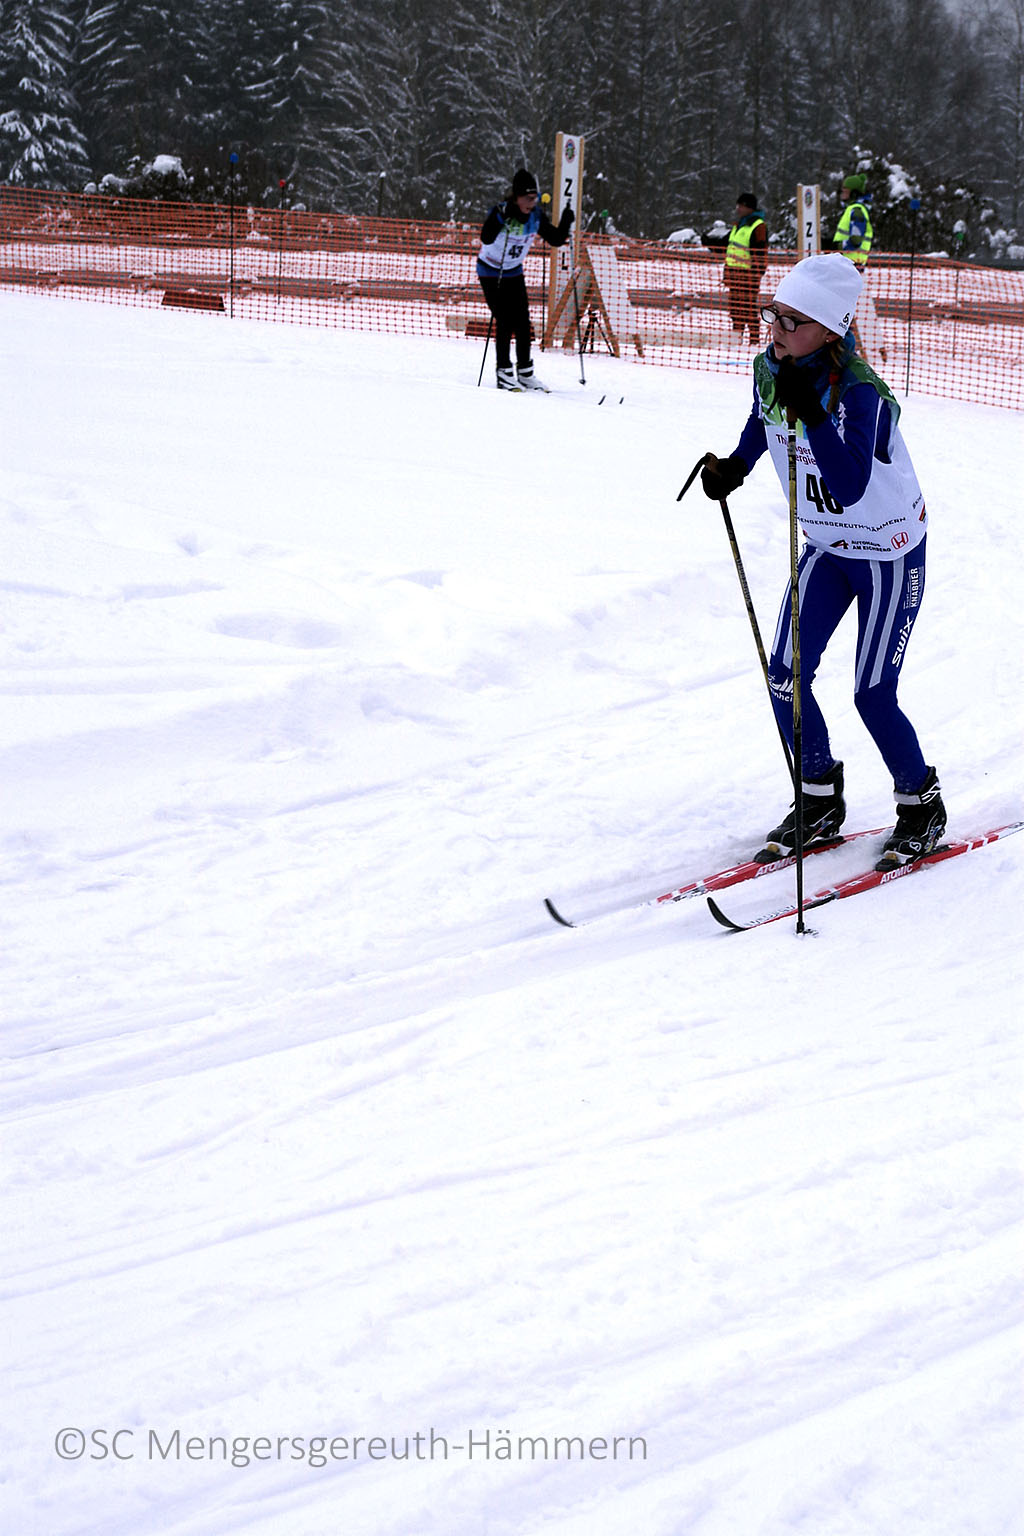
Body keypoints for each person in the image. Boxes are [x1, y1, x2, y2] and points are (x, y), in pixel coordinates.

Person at [699, 253, 946, 872]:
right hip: (829, 547)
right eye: (774, 314)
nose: (776, 330)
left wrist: (811, 410)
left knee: (873, 693)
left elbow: (851, 483)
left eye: (793, 321)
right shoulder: (771, 368)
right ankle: (817, 798)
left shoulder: (860, 393)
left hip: (887, 552)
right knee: (784, 674)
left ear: (831, 330)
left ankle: (922, 807)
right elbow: (762, 418)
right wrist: (737, 465)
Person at [477, 168, 574, 391]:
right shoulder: (502, 211)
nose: (532, 202)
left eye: (535, 197)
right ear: (517, 197)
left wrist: (566, 222)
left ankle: (525, 372)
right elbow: (486, 237)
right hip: (491, 271)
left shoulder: (535, 216)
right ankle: (503, 372)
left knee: (522, 322)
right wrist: (500, 217)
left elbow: (555, 239)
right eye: (528, 198)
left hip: (513, 272)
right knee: (504, 319)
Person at [723, 193, 768, 344]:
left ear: (749, 207)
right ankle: (737, 339)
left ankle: (754, 340)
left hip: (748, 275)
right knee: (735, 309)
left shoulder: (758, 226)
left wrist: (757, 272)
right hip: (734, 274)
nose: (738, 209)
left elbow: (760, 252)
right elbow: (729, 245)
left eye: (741, 206)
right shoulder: (739, 225)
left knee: (747, 309)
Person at [833, 173, 873, 266]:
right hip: (848, 261)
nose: (842, 193)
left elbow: (856, 239)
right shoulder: (852, 209)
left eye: (845, 190)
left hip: (852, 263)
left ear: (854, 193)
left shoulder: (856, 211)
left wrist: (837, 247)